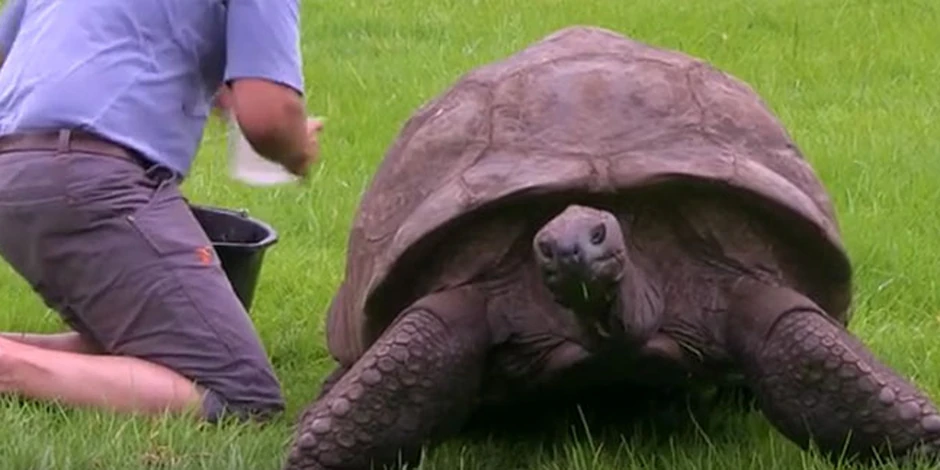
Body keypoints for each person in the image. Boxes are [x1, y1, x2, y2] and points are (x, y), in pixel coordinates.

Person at [0, 0, 321, 423]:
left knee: (149, 345)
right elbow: (269, 118)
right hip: (89, 179)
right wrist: (297, 149)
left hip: (14, 168)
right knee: (241, 392)